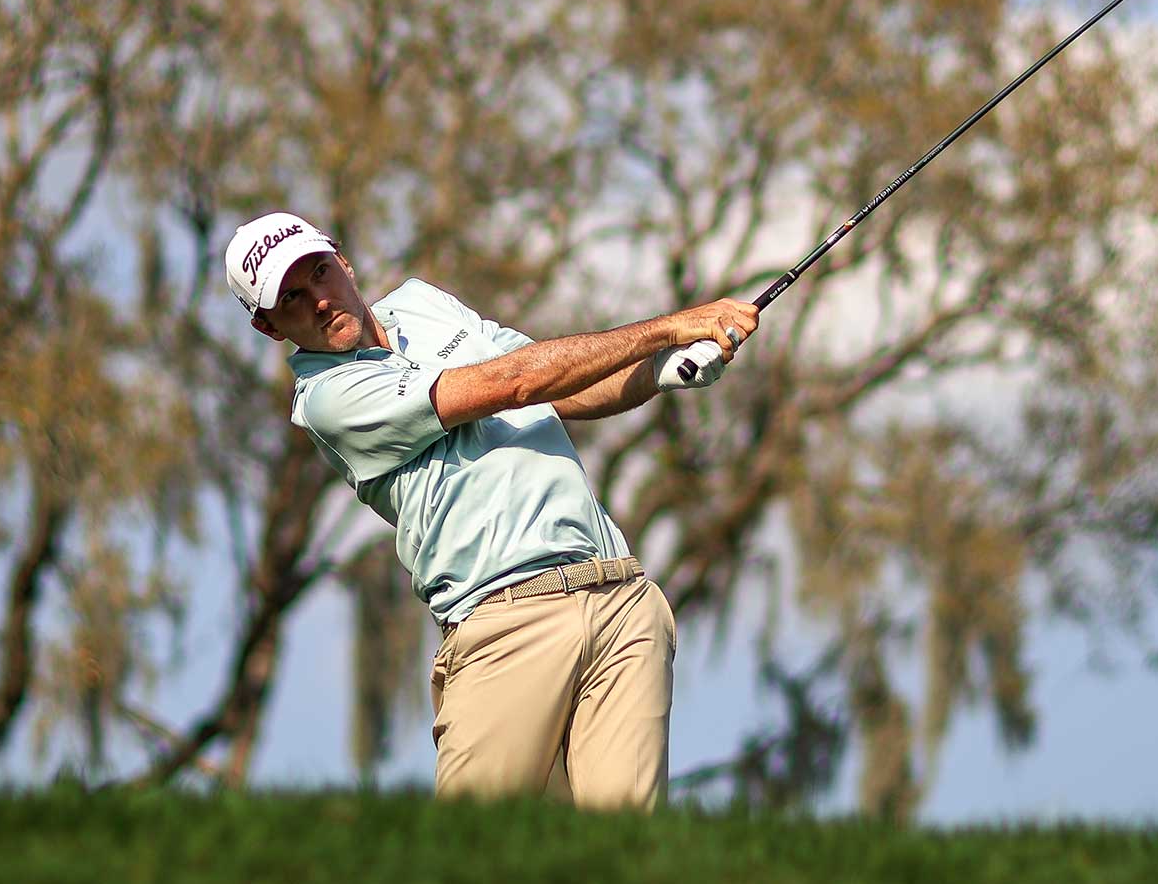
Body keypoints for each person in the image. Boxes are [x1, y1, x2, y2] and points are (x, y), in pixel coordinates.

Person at [223, 212, 758, 810]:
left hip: (618, 600)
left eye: (320, 273)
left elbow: (566, 385)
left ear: (343, 261)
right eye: (293, 298)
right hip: (504, 624)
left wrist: (656, 372)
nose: (320, 301)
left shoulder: (423, 304)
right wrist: (668, 329)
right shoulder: (328, 400)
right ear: (269, 327)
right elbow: (517, 384)